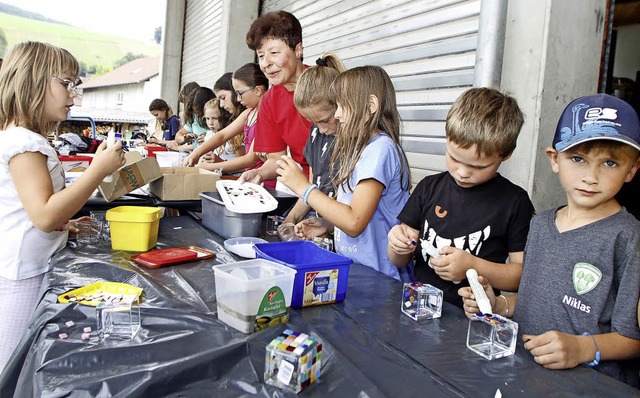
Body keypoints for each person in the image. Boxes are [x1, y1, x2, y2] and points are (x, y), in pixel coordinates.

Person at [459, 93, 640, 386]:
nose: (591, 177)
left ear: (632, 169)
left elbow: (632, 339)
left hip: (588, 386)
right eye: (578, 158)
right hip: (522, 374)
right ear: (554, 159)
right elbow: (535, 301)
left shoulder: (628, 238)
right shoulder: (541, 224)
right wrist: (498, 304)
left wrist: (583, 348)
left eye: (610, 163)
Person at [0, 41, 125, 371]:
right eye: (66, 83)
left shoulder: (23, 137)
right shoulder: (25, 143)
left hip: (28, 261)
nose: (73, 94)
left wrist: (63, 226)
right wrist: (98, 170)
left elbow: (25, 208)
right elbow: (43, 214)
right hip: (21, 274)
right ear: (33, 81)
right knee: (12, 361)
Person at [387, 87, 535, 307]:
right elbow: (399, 259)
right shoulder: (429, 188)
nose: (463, 172)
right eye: (454, 158)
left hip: (471, 318)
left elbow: (522, 277)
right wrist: (397, 245)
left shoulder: (515, 203)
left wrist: (472, 266)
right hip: (416, 307)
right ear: (447, 139)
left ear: (506, 154)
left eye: (478, 166)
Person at [276, 66, 412, 281]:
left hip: (380, 279)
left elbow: (354, 222)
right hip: (357, 271)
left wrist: (304, 188)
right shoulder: (358, 149)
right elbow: (361, 216)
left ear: (370, 106)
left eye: (341, 106)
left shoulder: (381, 149)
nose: (337, 114)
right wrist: (329, 225)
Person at [236, 11, 314, 186]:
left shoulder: (325, 83)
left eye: (274, 52)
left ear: (298, 50)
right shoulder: (269, 101)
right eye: (261, 55)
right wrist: (259, 173)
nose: (265, 63)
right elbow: (276, 159)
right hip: (305, 192)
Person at [277, 52, 345, 237]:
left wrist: (329, 224)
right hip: (325, 232)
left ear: (341, 105)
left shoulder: (355, 143)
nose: (321, 129)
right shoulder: (316, 135)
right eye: (313, 122)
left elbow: (355, 214)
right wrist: (290, 220)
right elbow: (314, 187)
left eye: (325, 120)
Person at [194, 64, 275, 186]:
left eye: (240, 93)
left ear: (258, 90)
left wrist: (210, 167)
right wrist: (196, 153)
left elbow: (250, 159)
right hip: (249, 180)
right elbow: (222, 135)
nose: (238, 99)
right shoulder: (249, 113)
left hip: (265, 182)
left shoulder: (266, 115)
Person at [169, 86, 215, 152]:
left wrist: (208, 139)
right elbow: (179, 135)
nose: (197, 114)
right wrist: (184, 138)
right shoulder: (194, 117)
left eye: (199, 111)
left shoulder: (218, 121)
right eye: (194, 111)